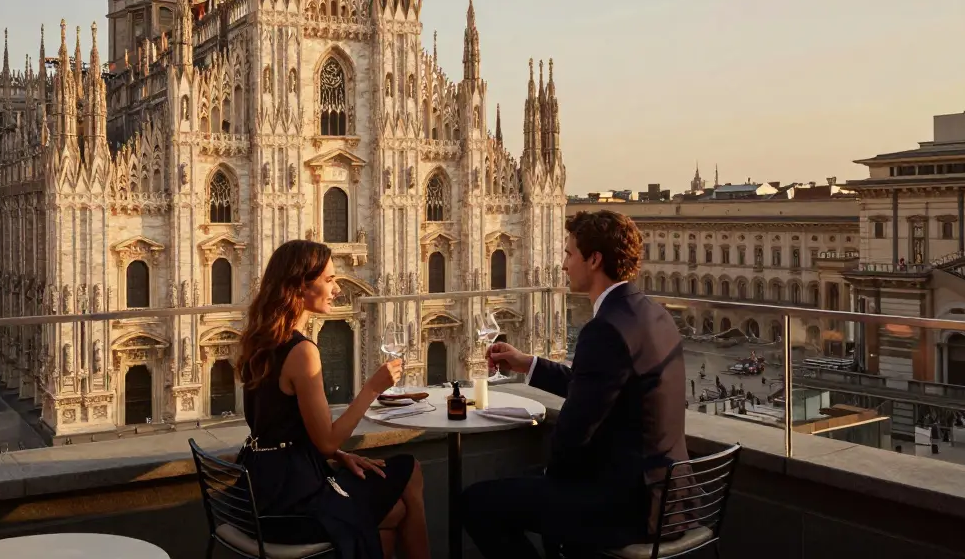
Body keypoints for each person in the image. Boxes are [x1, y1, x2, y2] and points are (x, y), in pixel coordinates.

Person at [464, 210, 688, 557]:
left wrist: (549, 476)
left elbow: (572, 433)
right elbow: (599, 386)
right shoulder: (653, 313)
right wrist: (528, 364)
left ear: (594, 259)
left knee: (477, 503)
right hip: (670, 497)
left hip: (627, 507)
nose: (564, 266)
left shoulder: (605, 329)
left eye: (569, 254)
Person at [234, 239, 429, 559]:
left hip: (261, 489)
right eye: (329, 279)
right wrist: (372, 389)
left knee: (397, 501)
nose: (337, 288)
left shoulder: (260, 340)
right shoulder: (302, 352)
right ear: (299, 286)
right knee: (408, 477)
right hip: (292, 503)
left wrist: (340, 455)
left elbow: (278, 424)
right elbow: (324, 441)